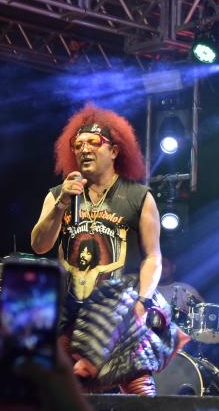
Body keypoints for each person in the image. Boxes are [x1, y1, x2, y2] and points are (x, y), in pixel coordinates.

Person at [31, 103, 165, 395]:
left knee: (141, 397)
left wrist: (142, 301)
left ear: (114, 151)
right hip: (70, 320)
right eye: (78, 144)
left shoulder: (138, 196)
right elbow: (39, 245)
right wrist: (61, 205)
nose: (84, 149)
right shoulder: (58, 195)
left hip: (119, 319)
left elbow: (153, 257)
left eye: (94, 142)